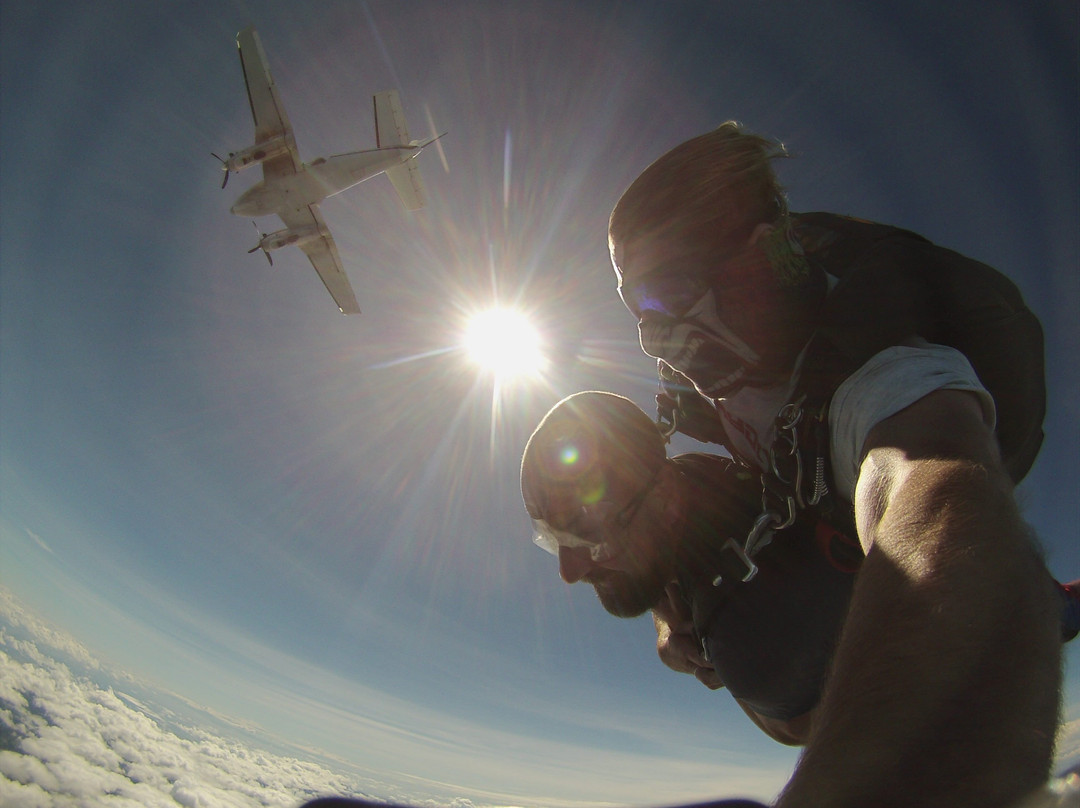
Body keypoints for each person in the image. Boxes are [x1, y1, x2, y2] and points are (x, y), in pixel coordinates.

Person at [594, 122, 1063, 806]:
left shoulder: (881, 371)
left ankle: (1033, 608)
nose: (652, 334)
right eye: (637, 305)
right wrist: (672, 620)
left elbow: (937, 487)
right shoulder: (724, 377)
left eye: (667, 289)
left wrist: (865, 779)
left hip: (862, 526)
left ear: (759, 255)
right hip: (806, 496)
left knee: (766, 660)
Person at [521, 391, 865, 746]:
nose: (569, 572)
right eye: (551, 537)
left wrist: (706, 644)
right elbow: (656, 585)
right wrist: (668, 638)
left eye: (592, 539)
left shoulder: (752, 645)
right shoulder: (684, 484)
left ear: (666, 501)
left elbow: (798, 731)